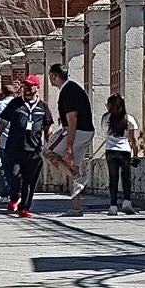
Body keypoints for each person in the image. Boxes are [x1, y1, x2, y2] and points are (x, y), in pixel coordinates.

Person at [0, 73, 52, 217]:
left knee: (30, 181)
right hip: (14, 149)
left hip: (34, 151)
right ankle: (14, 197)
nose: (27, 88)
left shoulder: (43, 107)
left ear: (37, 87)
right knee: (14, 176)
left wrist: (50, 146)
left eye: (30, 85)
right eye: (25, 85)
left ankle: (24, 208)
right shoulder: (15, 103)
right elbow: (3, 122)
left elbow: (47, 128)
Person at [46, 63, 94, 214]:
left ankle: (78, 176)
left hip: (77, 131)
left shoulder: (68, 91)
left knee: (48, 152)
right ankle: (76, 207)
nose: (50, 80)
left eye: (50, 77)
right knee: (73, 164)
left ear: (54, 75)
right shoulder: (72, 88)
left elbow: (72, 119)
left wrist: (69, 145)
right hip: (85, 131)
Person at [100, 94, 141, 214]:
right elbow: (134, 139)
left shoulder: (105, 118)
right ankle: (127, 202)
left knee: (113, 178)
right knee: (126, 177)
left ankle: (113, 206)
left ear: (110, 105)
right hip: (125, 150)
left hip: (110, 150)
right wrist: (136, 154)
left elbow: (104, 131)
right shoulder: (129, 119)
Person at [0, 74, 21, 208]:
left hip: (2, 140)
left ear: (3, 93)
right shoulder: (20, 105)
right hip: (18, 140)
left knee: (3, 168)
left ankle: (4, 194)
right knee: (17, 168)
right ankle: (16, 193)